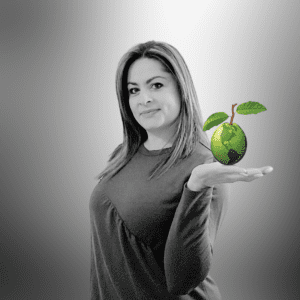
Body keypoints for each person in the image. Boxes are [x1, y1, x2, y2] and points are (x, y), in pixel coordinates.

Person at [89, 41, 273, 300]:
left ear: (181, 88)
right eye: (133, 90)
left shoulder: (205, 166)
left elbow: (183, 280)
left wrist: (196, 186)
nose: (145, 99)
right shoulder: (122, 154)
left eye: (156, 85)